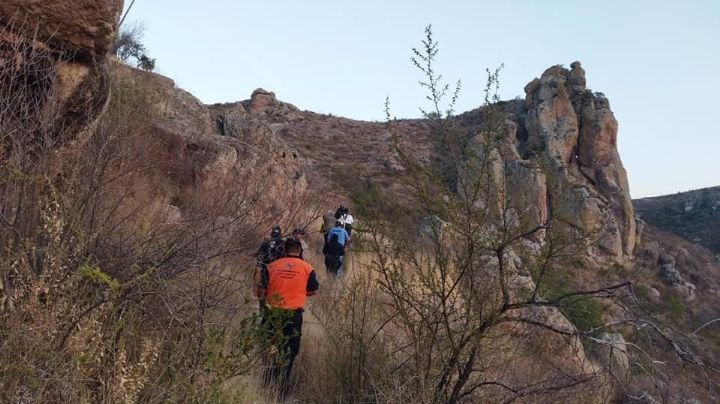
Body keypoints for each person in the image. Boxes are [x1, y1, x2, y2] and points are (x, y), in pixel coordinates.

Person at [256, 238, 319, 398]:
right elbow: (313, 290)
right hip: (293, 316)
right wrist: (299, 292)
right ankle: (282, 389)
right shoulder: (307, 268)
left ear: (284, 250)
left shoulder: (271, 266)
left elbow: (261, 291)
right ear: (300, 251)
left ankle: (266, 382)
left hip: (272, 313)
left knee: (268, 345)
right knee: (289, 351)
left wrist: (263, 307)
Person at [254, 226, 285, 307]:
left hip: (265, 272)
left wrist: (255, 285)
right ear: (280, 235)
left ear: (271, 234)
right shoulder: (284, 245)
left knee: (262, 294)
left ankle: (262, 311)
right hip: (279, 275)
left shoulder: (265, 244)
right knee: (276, 297)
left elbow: (258, 265)